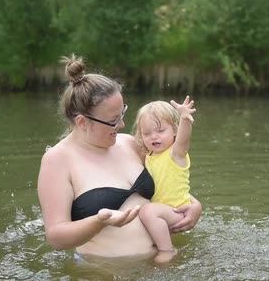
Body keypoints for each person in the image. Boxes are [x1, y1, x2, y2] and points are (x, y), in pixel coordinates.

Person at [37, 54, 202, 260]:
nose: (122, 125)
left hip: (163, 268)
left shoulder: (129, 143)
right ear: (82, 122)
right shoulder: (57, 160)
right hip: (108, 276)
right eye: (113, 120)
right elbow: (55, 237)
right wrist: (99, 221)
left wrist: (194, 206)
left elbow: (169, 178)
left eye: (122, 114)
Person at [132, 97, 196, 261]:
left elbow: (184, 139)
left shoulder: (176, 153)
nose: (154, 137)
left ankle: (167, 251)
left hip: (178, 212)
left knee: (147, 211)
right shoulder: (149, 156)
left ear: (174, 130)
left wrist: (184, 118)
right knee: (147, 210)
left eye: (160, 131)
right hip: (162, 213)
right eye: (147, 133)